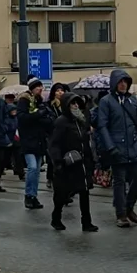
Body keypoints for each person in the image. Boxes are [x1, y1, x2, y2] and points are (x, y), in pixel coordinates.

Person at [96, 68, 137, 228]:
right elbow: (102, 126)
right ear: (114, 83)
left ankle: (129, 206)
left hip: (134, 145)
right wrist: (110, 146)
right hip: (117, 146)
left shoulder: (132, 101)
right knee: (119, 181)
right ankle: (121, 213)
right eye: (120, 82)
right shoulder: (106, 101)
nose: (123, 85)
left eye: (125, 82)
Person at [47, 94, 98, 232]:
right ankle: (56, 217)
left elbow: (86, 142)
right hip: (67, 163)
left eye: (77, 103)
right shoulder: (61, 122)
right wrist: (58, 161)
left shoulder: (81, 121)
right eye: (72, 104)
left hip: (81, 163)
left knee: (84, 192)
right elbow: (54, 144)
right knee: (62, 194)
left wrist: (91, 160)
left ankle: (86, 222)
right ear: (66, 106)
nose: (76, 106)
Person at [17, 78, 54, 210]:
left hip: (39, 140)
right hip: (28, 140)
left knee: (37, 170)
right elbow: (22, 118)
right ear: (32, 88)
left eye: (41, 87)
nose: (40, 89)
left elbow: (46, 121)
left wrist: (46, 117)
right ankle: (28, 195)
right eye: (37, 87)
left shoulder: (40, 102)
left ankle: (33, 196)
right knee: (32, 168)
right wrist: (38, 115)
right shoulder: (24, 100)